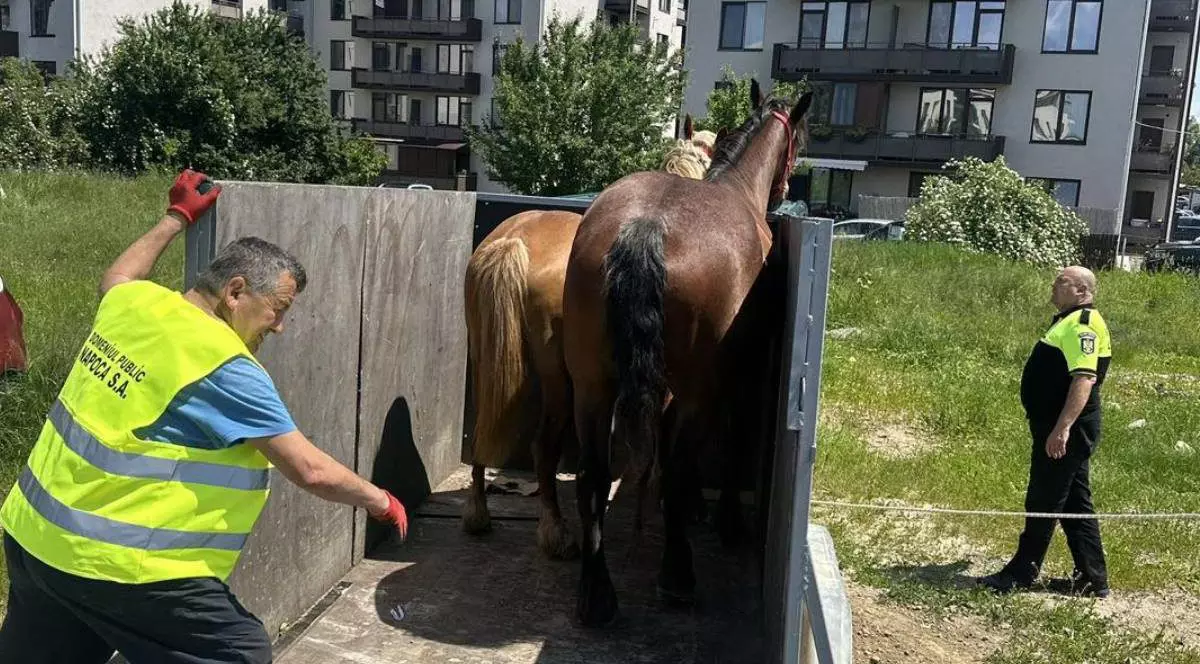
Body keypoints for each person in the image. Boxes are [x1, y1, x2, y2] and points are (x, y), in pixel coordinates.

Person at [0, 170, 410, 663]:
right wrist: (381, 500)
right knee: (238, 652)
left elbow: (118, 277)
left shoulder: (138, 306)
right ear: (235, 292)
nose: (279, 327)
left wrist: (175, 217)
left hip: (34, 538)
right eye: (278, 309)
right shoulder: (223, 366)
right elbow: (310, 469)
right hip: (119, 566)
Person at [979, 265, 1111, 598]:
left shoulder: (1084, 325)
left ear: (1081, 290)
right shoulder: (1069, 320)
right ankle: (1092, 579)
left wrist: (1062, 428)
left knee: (1044, 498)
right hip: (1058, 427)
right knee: (1074, 504)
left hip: (1066, 429)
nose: (1053, 286)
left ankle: (1022, 571)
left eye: (1061, 282)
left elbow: (1084, 379)